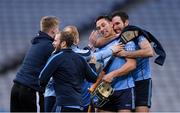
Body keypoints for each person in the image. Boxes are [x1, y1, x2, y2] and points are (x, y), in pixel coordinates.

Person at [43, 25, 122, 112]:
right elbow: (93, 57)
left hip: (77, 99)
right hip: (56, 96)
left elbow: (92, 57)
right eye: (67, 34)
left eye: (72, 35)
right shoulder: (60, 55)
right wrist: (111, 50)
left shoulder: (71, 55)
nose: (70, 37)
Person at [90, 11, 154, 112]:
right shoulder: (106, 43)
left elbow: (149, 52)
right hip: (114, 85)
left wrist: (124, 54)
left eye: (118, 23)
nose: (116, 27)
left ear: (126, 23)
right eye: (99, 28)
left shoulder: (136, 35)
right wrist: (95, 44)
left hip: (140, 80)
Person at [10, 16, 60, 112]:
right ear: (53, 31)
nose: (59, 31)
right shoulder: (50, 47)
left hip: (16, 88)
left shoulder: (36, 43)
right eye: (58, 29)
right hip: (30, 91)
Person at [39, 31, 97, 112]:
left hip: (63, 105)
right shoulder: (80, 59)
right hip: (79, 106)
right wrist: (92, 65)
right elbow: (93, 78)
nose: (53, 43)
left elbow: (42, 79)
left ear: (63, 43)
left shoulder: (56, 57)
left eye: (57, 41)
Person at [90, 15, 136, 112]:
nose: (101, 29)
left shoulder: (124, 41)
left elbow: (132, 64)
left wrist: (113, 74)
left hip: (124, 89)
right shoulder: (99, 48)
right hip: (103, 91)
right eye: (99, 28)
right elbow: (96, 69)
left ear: (111, 24)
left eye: (103, 25)